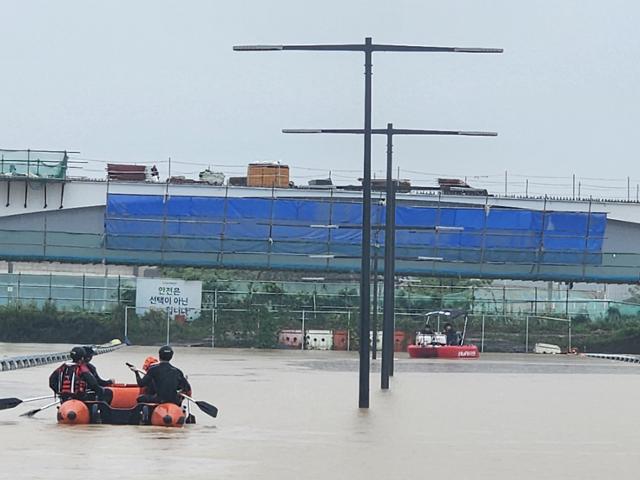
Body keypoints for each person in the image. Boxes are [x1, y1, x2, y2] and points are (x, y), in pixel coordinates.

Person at [49, 346, 113, 404]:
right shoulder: (82, 368)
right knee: (108, 393)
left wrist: (58, 392)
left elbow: (51, 381)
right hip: (80, 398)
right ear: (82, 358)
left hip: (64, 398)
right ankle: (101, 413)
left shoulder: (62, 367)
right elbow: (94, 384)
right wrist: (101, 391)